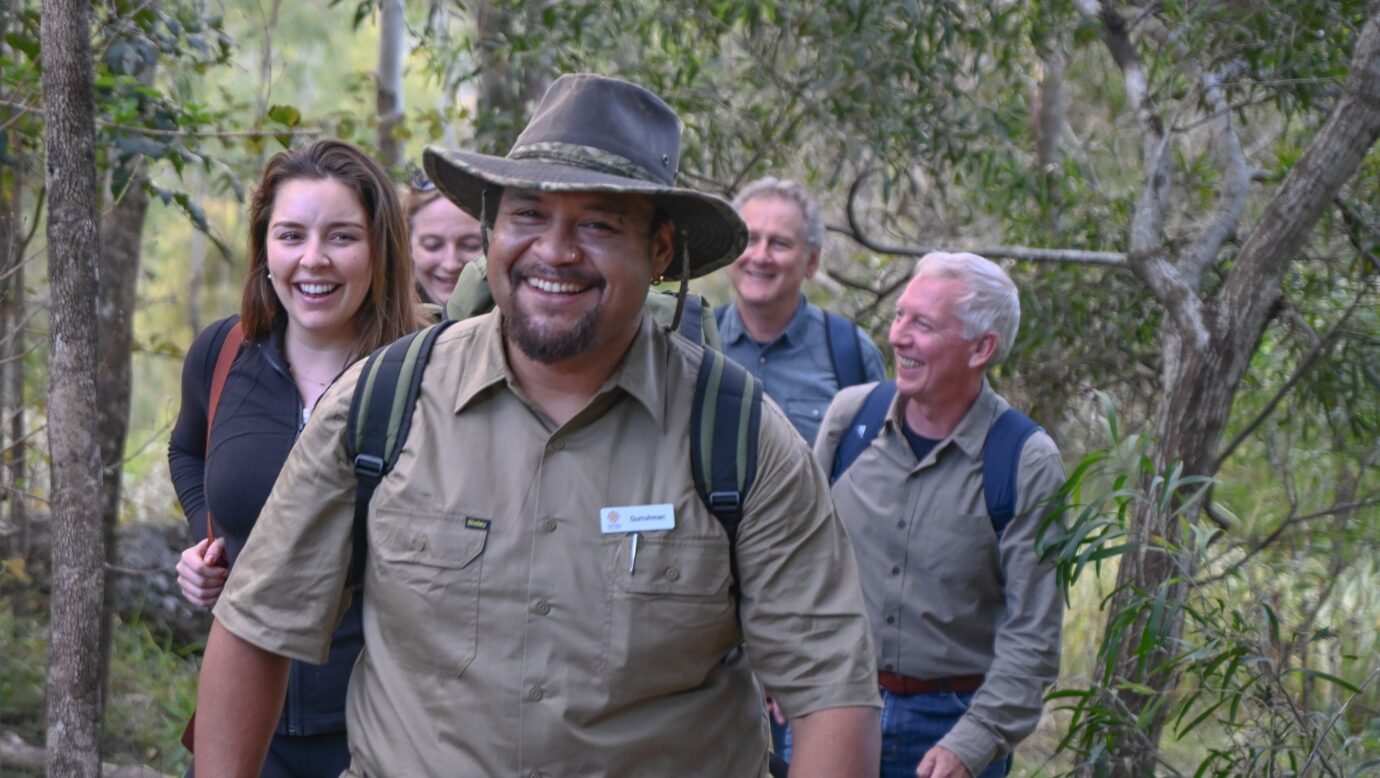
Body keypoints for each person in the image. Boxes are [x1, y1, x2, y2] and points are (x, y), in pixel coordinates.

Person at [192, 73, 881, 777]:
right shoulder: (385, 402)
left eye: (598, 224)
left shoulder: (737, 439)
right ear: (491, 229)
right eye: (528, 216)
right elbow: (256, 628)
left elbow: (831, 693)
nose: (554, 251)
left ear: (662, 250)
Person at [168, 139, 424, 777]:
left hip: (384, 728)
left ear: (379, 250)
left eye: (342, 237)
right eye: (290, 235)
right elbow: (187, 452)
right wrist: (210, 539)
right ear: (265, 250)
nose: (314, 260)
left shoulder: (425, 375)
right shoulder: (223, 353)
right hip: (249, 728)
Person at [815, 252, 1065, 778]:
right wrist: (782, 676)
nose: (898, 336)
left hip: (951, 722)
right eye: (900, 315)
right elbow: (796, 565)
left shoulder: (1024, 459)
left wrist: (971, 746)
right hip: (835, 701)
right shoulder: (850, 420)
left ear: (982, 348)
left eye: (923, 324)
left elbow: (1033, 636)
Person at [716, 177, 885, 445]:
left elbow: (875, 468)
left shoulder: (851, 354)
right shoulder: (693, 341)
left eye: (779, 243)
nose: (760, 256)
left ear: (812, 261)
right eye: (750, 239)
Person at [403, 170, 484, 305]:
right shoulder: (382, 322)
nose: (450, 265)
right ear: (408, 245)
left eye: (471, 245)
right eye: (432, 245)